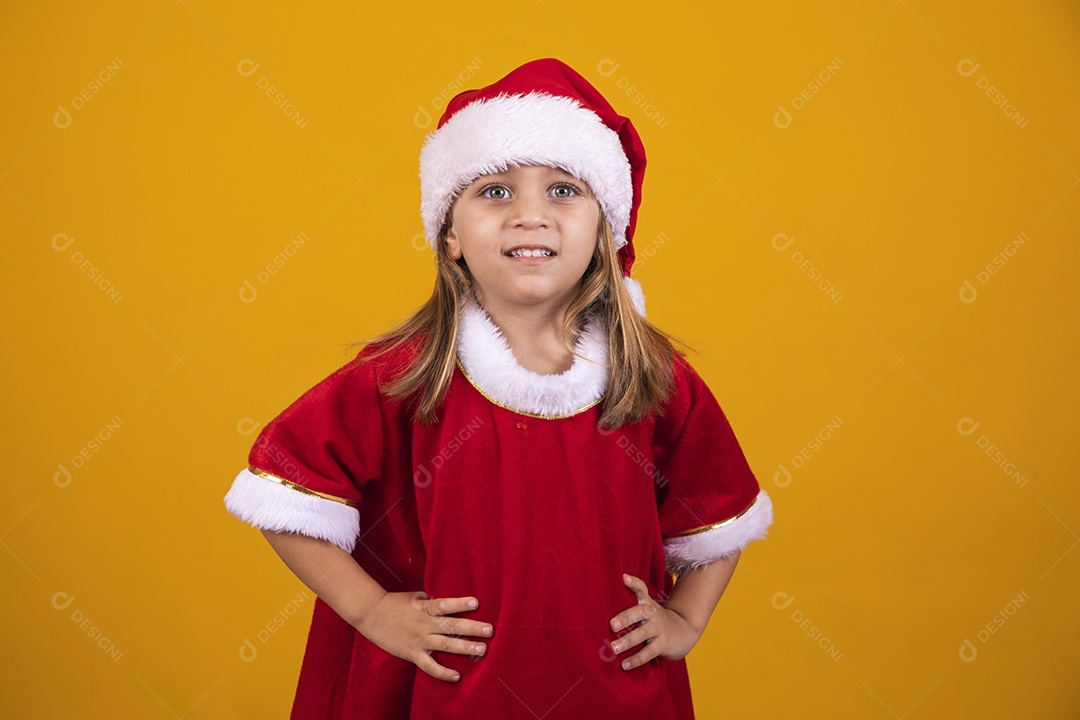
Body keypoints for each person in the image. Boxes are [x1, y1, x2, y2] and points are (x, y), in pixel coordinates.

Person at [224, 57, 774, 720]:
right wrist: (370, 611)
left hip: (612, 698)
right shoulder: (401, 375)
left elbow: (721, 510)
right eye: (495, 191)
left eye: (564, 190)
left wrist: (685, 619)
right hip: (440, 694)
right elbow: (284, 488)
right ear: (451, 234)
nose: (530, 216)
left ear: (606, 230)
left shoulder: (652, 379)